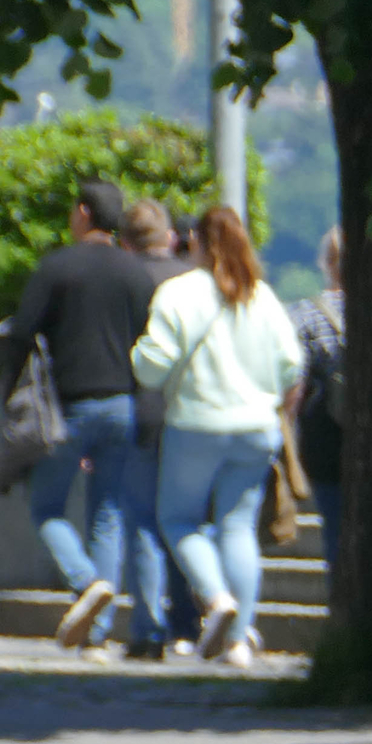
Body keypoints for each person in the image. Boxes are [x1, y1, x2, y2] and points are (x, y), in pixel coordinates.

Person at [132, 205, 301, 668]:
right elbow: (292, 365)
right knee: (238, 528)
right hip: (257, 428)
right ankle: (240, 640)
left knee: (179, 520)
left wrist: (139, 355)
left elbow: (152, 367)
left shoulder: (178, 292)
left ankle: (215, 598)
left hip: (196, 425)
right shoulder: (260, 295)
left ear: (196, 243)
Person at [5, 178, 164, 655]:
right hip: (122, 405)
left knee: (46, 506)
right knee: (108, 514)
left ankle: (84, 581)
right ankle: (97, 634)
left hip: (67, 406)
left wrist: (9, 397)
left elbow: (21, 333)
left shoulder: (57, 269)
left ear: (82, 213)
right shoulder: (136, 274)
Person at [116, 199, 198, 660]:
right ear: (169, 236)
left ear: (124, 242)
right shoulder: (191, 280)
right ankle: (190, 621)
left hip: (140, 409)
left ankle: (149, 629)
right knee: (185, 520)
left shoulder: (124, 279)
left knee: (144, 521)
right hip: (189, 411)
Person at [288, 226, 347, 586]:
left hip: (326, 437)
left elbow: (294, 384)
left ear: (326, 262)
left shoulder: (305, 314)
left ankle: (342, 600)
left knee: (336, 523)